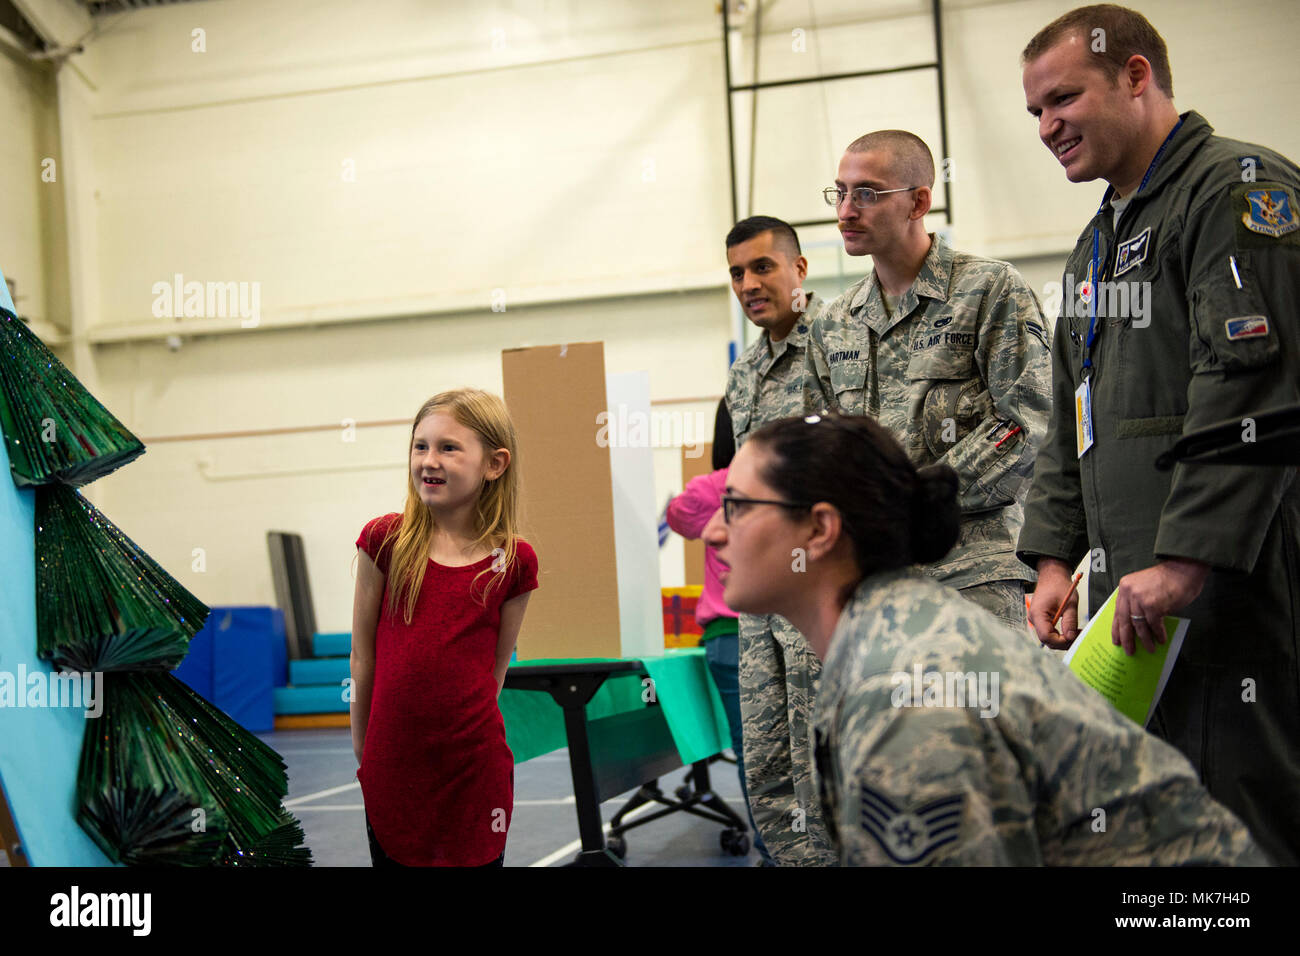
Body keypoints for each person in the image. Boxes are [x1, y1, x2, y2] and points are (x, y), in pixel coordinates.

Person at [702, 411, 1267, 865]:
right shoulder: (893, 633)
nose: (713, 531)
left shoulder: (905, 689)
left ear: (820, 530)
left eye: (738, 507)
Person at [1018, 4, 1300, 864]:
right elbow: (1074, 421)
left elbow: (1253, 381)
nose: (1046, 126)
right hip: (1130, 612)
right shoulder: (1095, 247)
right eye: (1034, 111)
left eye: (1062, 99)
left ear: (1135, 76)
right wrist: (1058, 559)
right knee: (1165, 834)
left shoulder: (1236, 190)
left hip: (1228, 593)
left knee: (1242, 822)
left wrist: (1185, 559)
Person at [804, 130, 1051, 631]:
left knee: (978, 710)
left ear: (919, 202)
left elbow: (1028, 421)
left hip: (970, 576)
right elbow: (821, 447)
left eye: (867, 193)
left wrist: (917, 501)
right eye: (841, 192)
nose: (846, 210)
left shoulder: (988, 290)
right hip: (871, 585)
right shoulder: (833, 322)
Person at [350, 387, 538, 867]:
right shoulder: (384, 540)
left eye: (448, 448)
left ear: (494, 464)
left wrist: (465, 734)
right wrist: (364, 747)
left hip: (474, 770)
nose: (428, 460)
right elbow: (363, 655)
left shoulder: (512, 561)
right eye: (420, 445)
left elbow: (495, 666)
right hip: (393, 763)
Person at [723, 215, 836, 865]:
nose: (748, 283)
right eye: (737, 272)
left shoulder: (842, 339)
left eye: (763, 266)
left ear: (799, 269)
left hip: (819, 591)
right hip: (763, 602)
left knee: (825, 761)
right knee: (766, 769)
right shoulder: (745, 375)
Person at [665, 398, 769, 863]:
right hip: (781, 627)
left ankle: (771, 851)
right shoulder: (784, 481)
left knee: (753, 751)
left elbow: (678, 517)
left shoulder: (711, 488)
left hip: (727, 638)